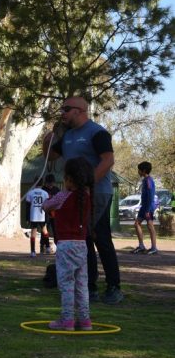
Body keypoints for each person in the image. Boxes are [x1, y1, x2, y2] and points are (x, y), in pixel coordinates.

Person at [43, 96, 123, 304]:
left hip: (96, 193)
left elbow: (108, 160)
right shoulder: (68, 136)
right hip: (77, 194)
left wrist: (87, 185)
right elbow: (50, 157)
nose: (63, 113)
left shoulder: (97, 132)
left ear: (80, 110)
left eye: (66, 109)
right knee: (84, 239)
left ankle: (113, 287)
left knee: (99, 237)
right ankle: (90, 287)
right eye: (62, 110)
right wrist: (47, 139)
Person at [42, 157, 94, 331]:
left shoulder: (63, 195)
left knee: (66, 284)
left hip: (65, 245)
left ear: (69, 179)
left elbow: (46, 206)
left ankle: (67, 320)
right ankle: (85, 320)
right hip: (81, 245)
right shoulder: (86, 197)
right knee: (81, 283)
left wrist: (52, 206)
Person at [132, 161, 158, 255]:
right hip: (144, 207)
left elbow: (150, 195)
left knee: (150, 226)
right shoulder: (144, 180)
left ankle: (154, 248)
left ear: (143, 171)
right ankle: (141, 246)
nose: (138, 171)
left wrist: (147, 210)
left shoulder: (148, 180)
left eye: (139, 170)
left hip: (148, 207)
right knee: (137, 224)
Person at [25, 177, 50, 257]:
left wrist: (27, 218)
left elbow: (27, 207)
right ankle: (48, 247)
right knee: (45, 230)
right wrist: (47, 217)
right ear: (42, 184)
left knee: (33, 232)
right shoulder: (45, 193)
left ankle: (33, 251)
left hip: (33, 215)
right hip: (42, 215)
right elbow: (47, 206)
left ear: (34, 183)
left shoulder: (30, 193)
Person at [42, 174, 60, 249]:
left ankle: (58, 246)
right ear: (46, 183)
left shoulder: (56, 189)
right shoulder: (43, 189)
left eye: (51, 183)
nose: (50, 185)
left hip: (54, 214)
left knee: (56, 231)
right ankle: (43, 245)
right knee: (45, 230)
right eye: (48, 183)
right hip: (45, 214)